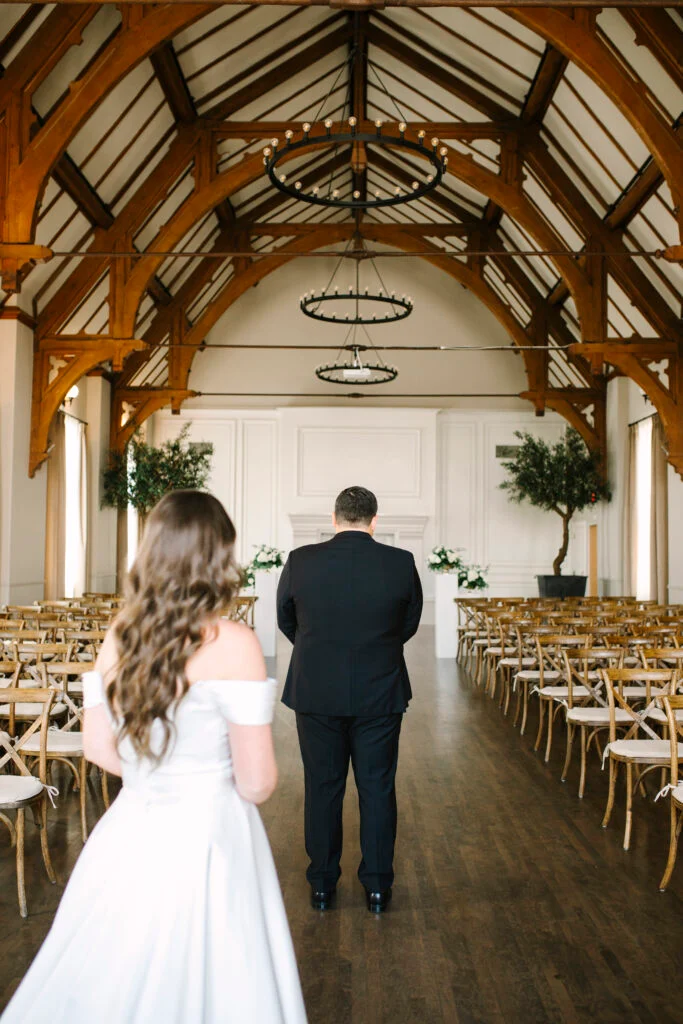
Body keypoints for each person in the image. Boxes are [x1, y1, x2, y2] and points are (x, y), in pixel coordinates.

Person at [2, 491, 307, 1024]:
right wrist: (203, 780)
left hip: (134, 823)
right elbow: (257, 783)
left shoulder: (121, 635)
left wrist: (155, 778)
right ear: (219, 557)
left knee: (113, 968)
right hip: (212, 831)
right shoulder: (234, 641)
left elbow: (98, 747)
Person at [276, 485, 423, 913]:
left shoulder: (301, 561)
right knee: (377, 788)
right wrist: (377, 650)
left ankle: (322, 884)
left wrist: (318, 651)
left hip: (316, 691)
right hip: (381, 691)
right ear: (375, 521)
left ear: (334, 518)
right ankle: (378, 886)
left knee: (322, 787)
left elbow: (288, 620)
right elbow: (408, 623)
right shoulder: (401, 563)